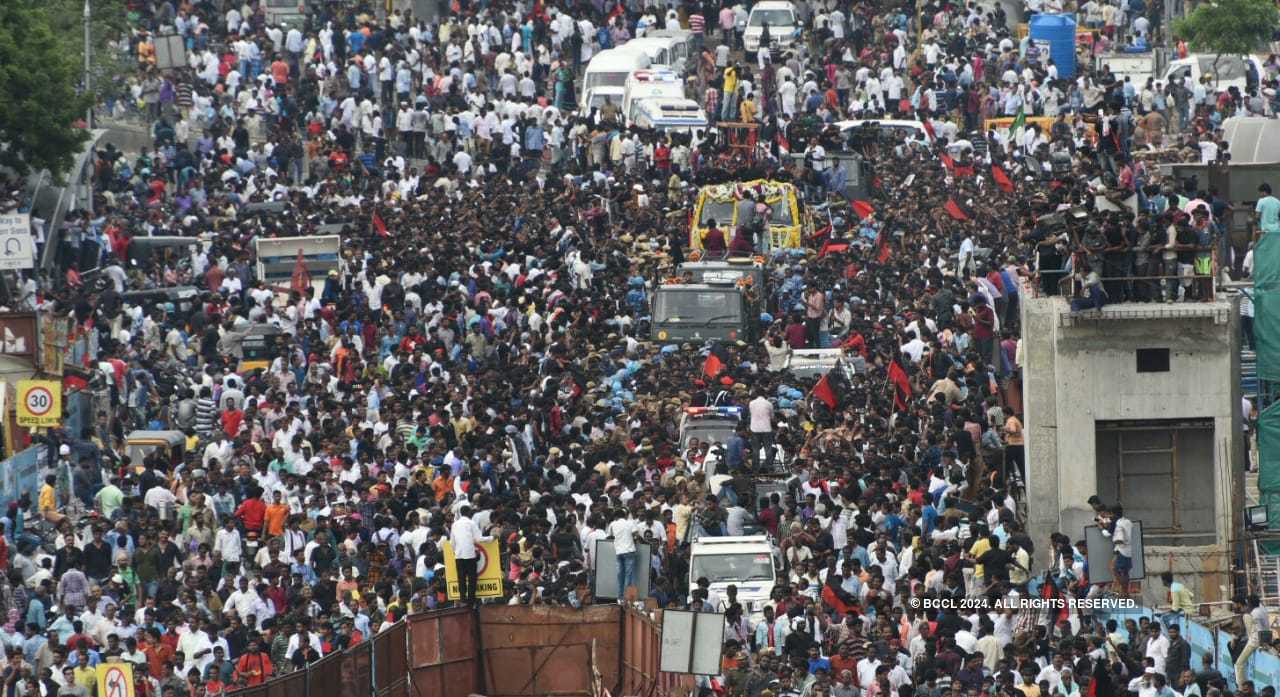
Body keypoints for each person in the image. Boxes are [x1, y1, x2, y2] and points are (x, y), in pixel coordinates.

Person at [449, 506, 492, 607]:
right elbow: (478, 538)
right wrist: (491, 538)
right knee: (472, 579)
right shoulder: (471, 523)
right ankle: (470, 601)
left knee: (461, 578)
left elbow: (452, 542)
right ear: (469, 513)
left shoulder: (455, 524)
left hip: (459, 556)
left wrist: (457, 551)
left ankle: (462, 598)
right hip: (469, 555)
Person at [607, 508, 638, 602]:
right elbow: (636, 534)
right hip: (629, 551)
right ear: (624, 515)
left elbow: (609, 536)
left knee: (620, 575)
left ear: (616, 516)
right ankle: (626, 597)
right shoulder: (630, 522)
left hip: (618, 552)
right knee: (629, 575)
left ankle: (620, 597)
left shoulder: (613, 524)